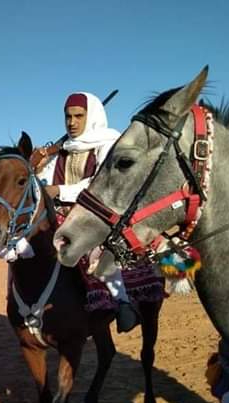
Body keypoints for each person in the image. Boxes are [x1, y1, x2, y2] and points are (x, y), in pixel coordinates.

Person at [35, 93, 140, 332]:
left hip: (97, 210)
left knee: (97, 252)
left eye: (78, 116)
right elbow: (45, 183)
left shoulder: (108, 143)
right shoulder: (63, 149)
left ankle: (122, 302)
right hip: (61, 212)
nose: (71, 122)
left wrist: (59, 190)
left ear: (91, 116)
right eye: (68, 117)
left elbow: (100, 182)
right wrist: (38, 168)